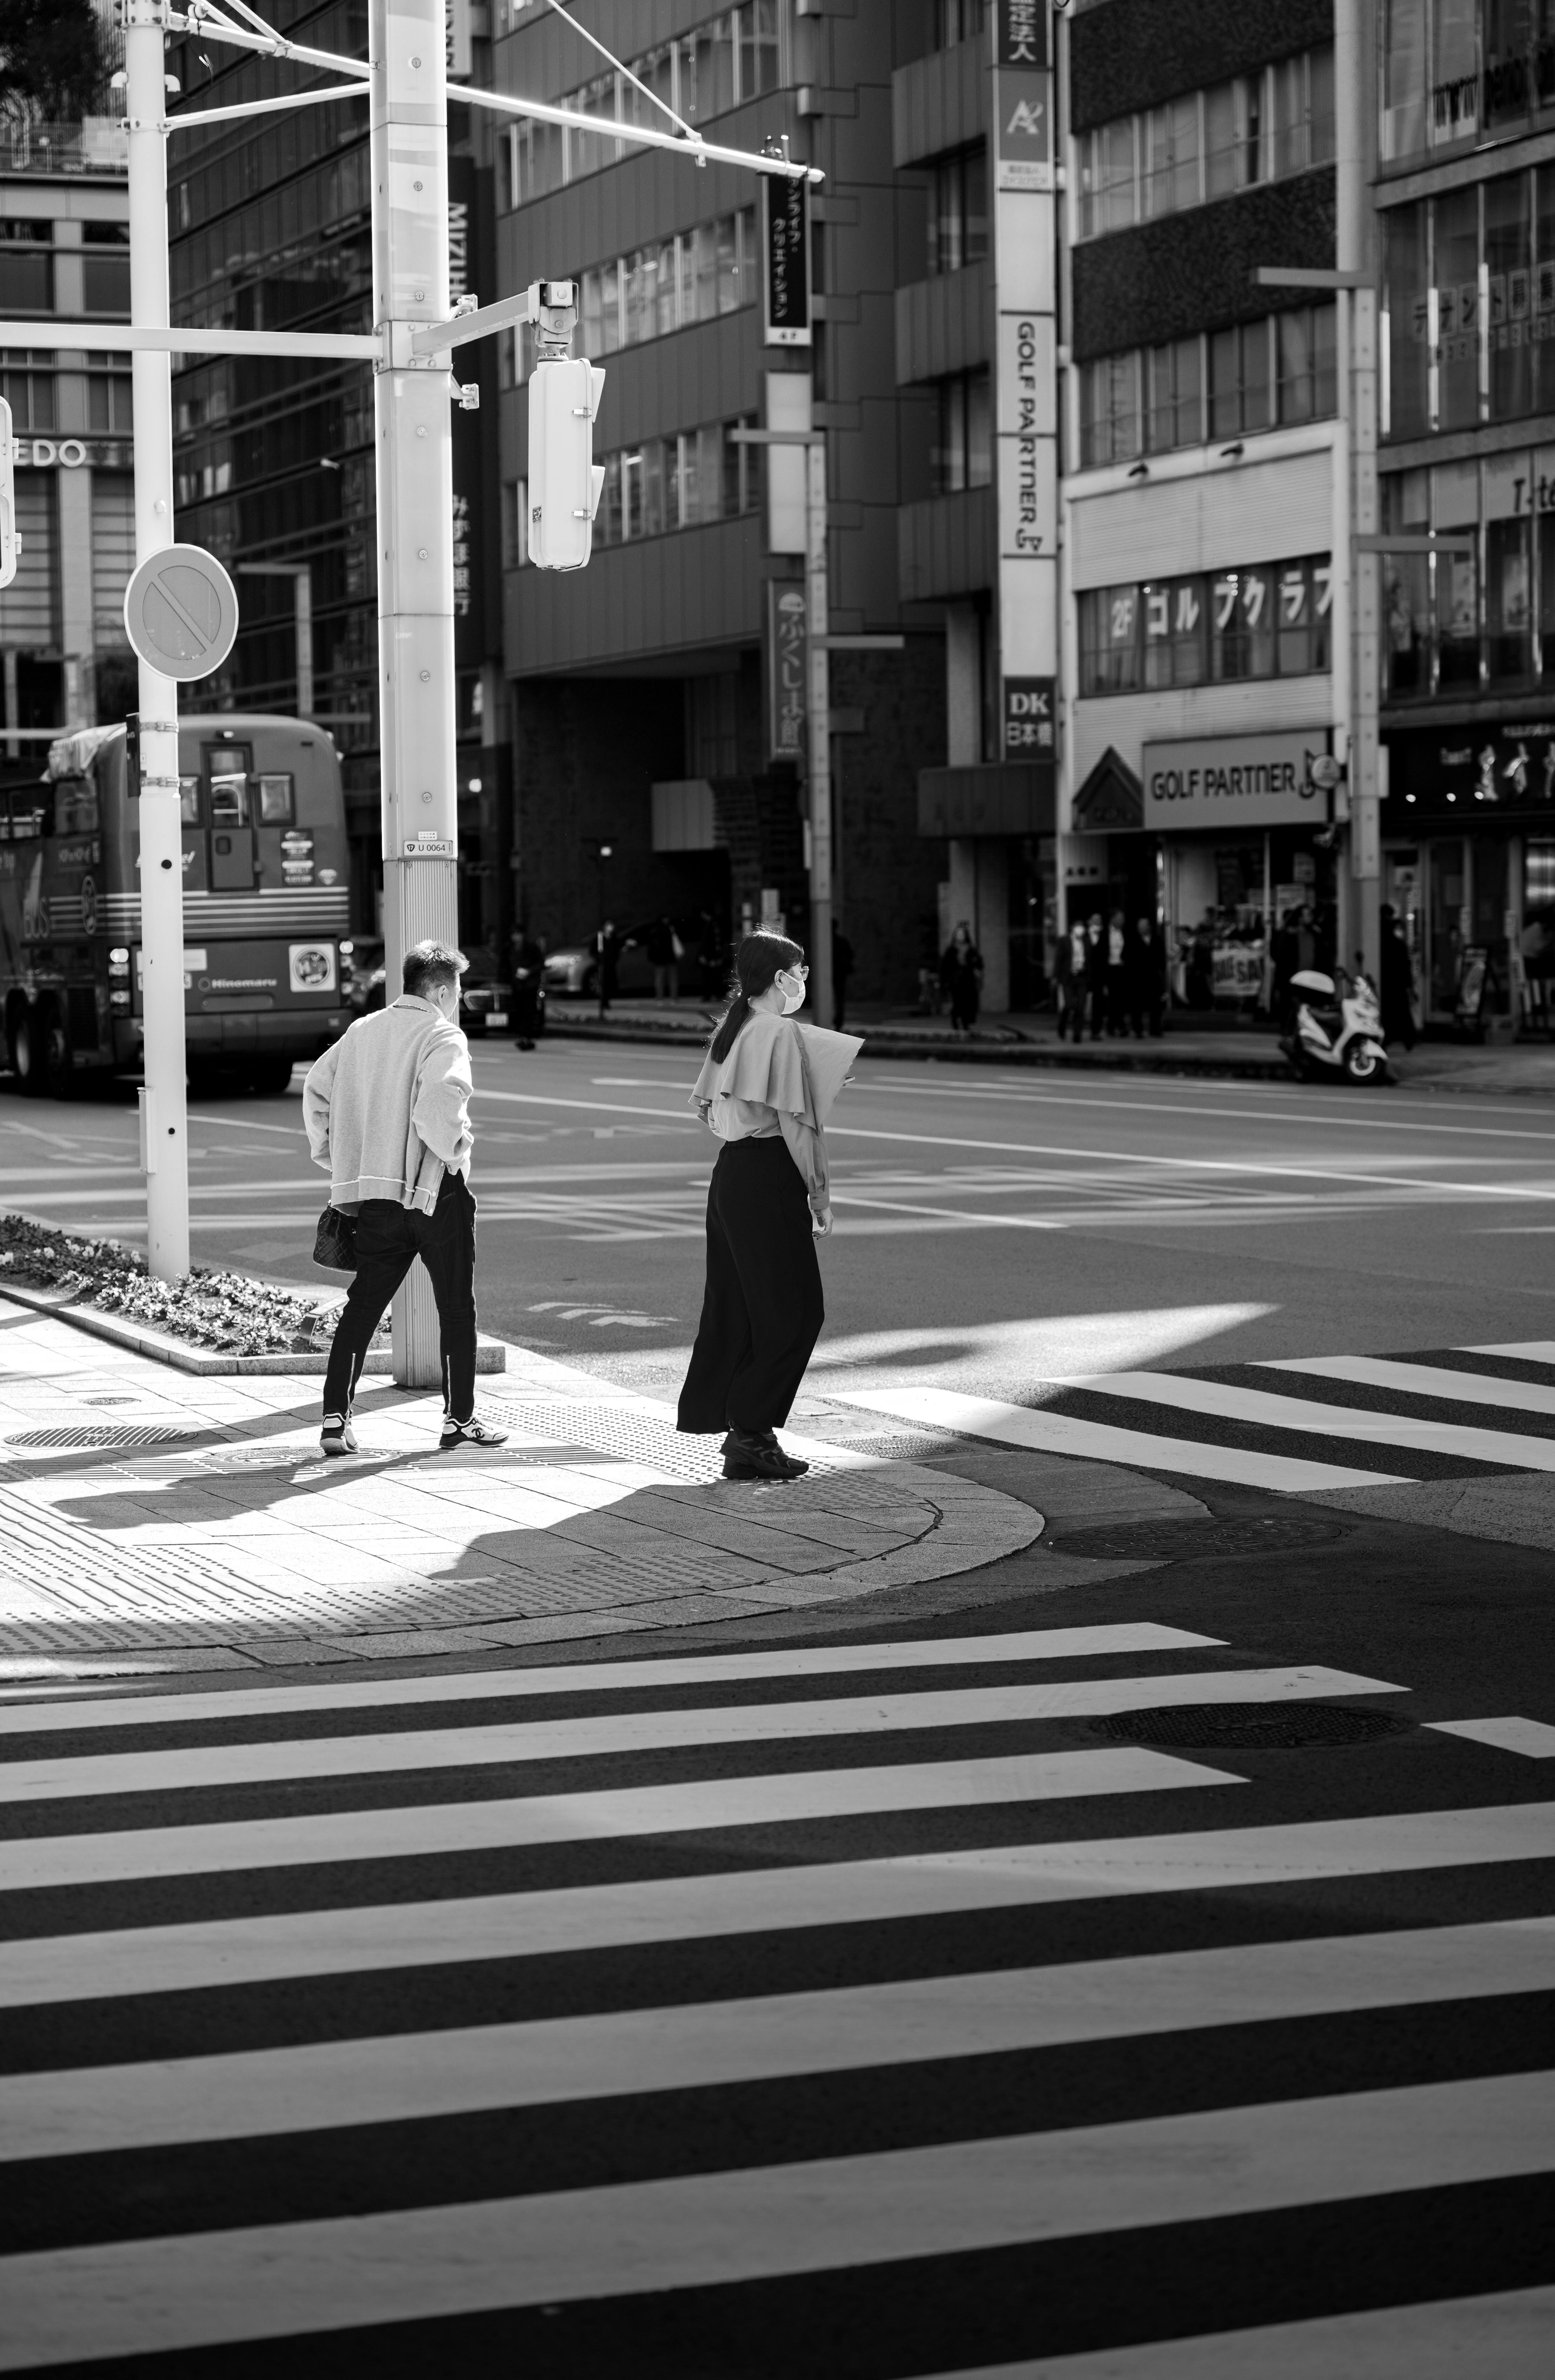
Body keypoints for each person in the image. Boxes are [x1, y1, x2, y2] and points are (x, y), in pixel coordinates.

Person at [303, 939, 507, 1459]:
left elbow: (316, 1090)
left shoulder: (361, 1031)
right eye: (456, 991)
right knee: (456, 1307)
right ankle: (458, 1419)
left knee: (365, 1306)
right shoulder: (442, 1034)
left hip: (375, 1195)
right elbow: (440, 1106)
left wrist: (338, 1156)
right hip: (435, 1191)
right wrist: (456, 1150)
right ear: (439, 990)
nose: (458, 1001)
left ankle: (334, 1419)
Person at [678, 932, 832, 1482]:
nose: (803, 981)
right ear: (779, 978)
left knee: (738, 1307)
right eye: (800, 971)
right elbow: (797, 1123)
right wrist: (818, 1193)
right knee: (795, 1311)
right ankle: (750, 1429)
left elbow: (702, 1108)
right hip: (767, 1176)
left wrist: (738, 1124)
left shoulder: (734, 1026)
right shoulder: (780, 1032)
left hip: (731, 1173)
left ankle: (745, 1433)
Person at [1379, 904, 1417, 1050]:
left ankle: (1390, 1037)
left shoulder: (1379, 935)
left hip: (1386, 980)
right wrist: (1410, 986)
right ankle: (1408, 1038)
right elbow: (1405, 965)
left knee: (1388, 1011)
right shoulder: (1397, 942)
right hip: (1397, 982)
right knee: (1402, 1010)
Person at [1124, 914, 1165, 1038]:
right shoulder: (1132, 940)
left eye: (1144, 926)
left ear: (1149, 927)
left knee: (1155, 1004)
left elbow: (1162, 958)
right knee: (1137, 1004)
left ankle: (1155, 1029)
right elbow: (1126, 957)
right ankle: (1138, 1030)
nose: (1142, 929)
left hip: (1153, 976)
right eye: (1140, 926)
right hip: (1138, 977)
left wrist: (1161, 974)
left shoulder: (1157, 940)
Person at [941, 921, 984, 1034]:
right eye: (959, 934)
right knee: (958, 1002)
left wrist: (976, 968)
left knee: (968, 1002)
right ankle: (955, 1019)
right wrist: (946, 981)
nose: (961, 936)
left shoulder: (971, 949)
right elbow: (945, 966)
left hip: (968, 979)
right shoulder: (951, 950)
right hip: (955, 980)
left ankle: (965, 1023)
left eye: (962, 934)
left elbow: (978, 962)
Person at [509, 926, 543, 1050]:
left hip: (530, 985)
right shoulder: (512, 949)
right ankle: (523, 1036)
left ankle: (527, 1037)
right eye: (514, 934)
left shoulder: (531, 948)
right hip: (518, 985)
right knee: (520, 1011)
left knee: (529, 1011)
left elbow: (540, 964)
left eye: (518, 934)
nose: (515, 937)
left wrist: (528, 972)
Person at [1083, 911, 1108, 1039]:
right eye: (1095, 920)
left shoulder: (1105, 935)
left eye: (1100, 920)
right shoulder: (1084, 935)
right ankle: (1078, 1028)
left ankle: (1096, 1031)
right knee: (1081, 1002)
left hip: (1099, 975)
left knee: (1098, 1004)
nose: (1098, 922)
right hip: (1085, 974)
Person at [645, 913, 680, 1001]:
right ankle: (673, 997)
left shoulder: (655, 931)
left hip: (660, 959)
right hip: (669, 958)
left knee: (660, 979)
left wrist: (652, 957)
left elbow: (652, 946)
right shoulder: (669, 929)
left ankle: (660, 997)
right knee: (671, 979)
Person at [592, 918, 620, 1012]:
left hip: (611, 964)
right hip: (603, 965)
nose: (611, 928)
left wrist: (614, 959)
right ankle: (604, 1003)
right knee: (603, 984)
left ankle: (607, 1001)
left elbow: (617, 950)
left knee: (610, 984)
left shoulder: (614, 938)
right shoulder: (599, 937)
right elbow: (593, 951)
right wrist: (599, 958)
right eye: (609, 926)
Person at [831, 919, 854, 1030]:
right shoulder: (842, 941)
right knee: (839, 998)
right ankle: (838, 1020)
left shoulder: (825, 942)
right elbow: (850, 955)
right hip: (840, 973)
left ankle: (836, 1020)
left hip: (834, 973)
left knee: (834, 998)